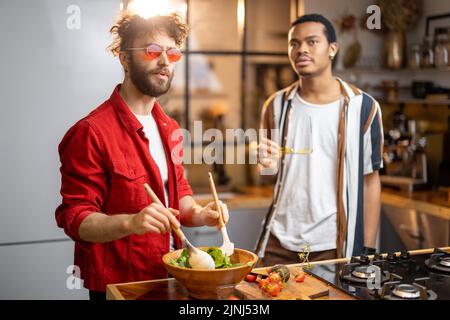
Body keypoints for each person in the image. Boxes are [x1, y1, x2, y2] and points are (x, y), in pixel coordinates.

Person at [55, 12, 228, 300]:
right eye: (152, 51)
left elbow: (179, 196)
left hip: (168, 277)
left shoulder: (170, 128)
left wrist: (201, 215)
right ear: (125, 58)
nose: (164, 62)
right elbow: (76, 218)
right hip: (121, 286)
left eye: (172, 54)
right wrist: (132, 222)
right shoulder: (91, 131)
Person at [255, 14, 383, 265]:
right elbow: (267, 174)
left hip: (333, 244)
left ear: (332, 49)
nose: (301, 49)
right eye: (294, 43)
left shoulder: (363, 107)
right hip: (279, 241)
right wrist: (264, 163)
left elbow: (371, 181)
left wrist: (367, 249)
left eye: (312, 42)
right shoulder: (275, 105)